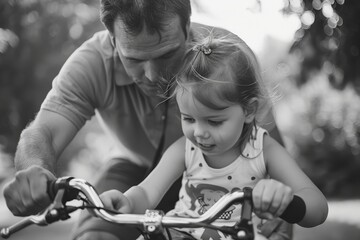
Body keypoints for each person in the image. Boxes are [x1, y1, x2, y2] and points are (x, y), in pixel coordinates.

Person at [3, 1, 292, 240]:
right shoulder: (91, 62)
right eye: (134, 59)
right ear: (112, 40)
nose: (153, 76)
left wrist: (280, 215)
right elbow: (44, 132)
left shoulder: (228, 58)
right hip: (131, 169)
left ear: (187, 28)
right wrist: (34, 169)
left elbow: (268, 145)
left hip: (215, 173)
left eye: (167, 54)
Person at [99, 33, 329, 240]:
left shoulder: (263, 149)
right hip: (183, 233)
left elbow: (318, 207)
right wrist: (127, 201)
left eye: (214, 121)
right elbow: (148, 192)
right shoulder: (184, 149)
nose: (198, 132)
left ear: (248, 111)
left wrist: (286, 202)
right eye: (188, 119)